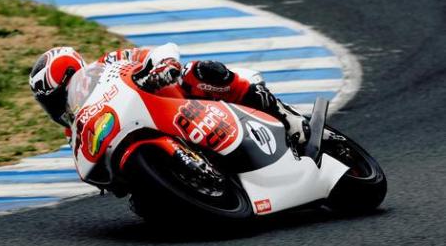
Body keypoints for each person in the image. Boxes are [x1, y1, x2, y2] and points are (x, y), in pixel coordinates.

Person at [29, 43, 309, 145]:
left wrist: (165, 66)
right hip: (150, 134)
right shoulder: (77, 133)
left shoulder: (108, 62)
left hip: (177, 101)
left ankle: (284, 114)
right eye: (49, 105)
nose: (56, 109)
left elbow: (159, 50)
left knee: (199, 71)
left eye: (57, 98)